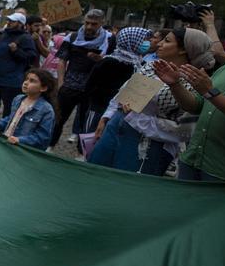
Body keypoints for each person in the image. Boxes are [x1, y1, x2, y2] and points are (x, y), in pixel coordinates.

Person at [90, 28, 215, 176]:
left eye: (167, 41)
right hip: (115, 128)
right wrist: (107, 117)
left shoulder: (195, 83)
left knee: (126, 189)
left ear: (183, 49)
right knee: (96, 175)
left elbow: (185, 130)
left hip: (147, 147)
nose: (159, 44)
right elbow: (124, 93)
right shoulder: (151, 66)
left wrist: (134, 118)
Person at [155, 55, 225, 182]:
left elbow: (210, 94)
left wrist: (210, 91)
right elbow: (196, 105)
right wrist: (175, 84)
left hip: (221, 171)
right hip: (192, 160)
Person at [50, 9, 111, 147]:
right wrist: (61, 83)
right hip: (69, 85)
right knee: (58, 118)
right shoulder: (72, 37)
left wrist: (100, 59)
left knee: (87, 123)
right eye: (87, 23)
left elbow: (111, 62)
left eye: (94, 24)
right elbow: (62, 61)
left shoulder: (108, 39)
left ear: (102, 23)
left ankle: (82, 153)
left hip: (92, 88)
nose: (89, 27)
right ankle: (50, 146)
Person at [83, 27, 152, 132]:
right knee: (90, 137)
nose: (146, 43)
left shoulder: (141, 64)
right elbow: (90, 86)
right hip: (99, 108)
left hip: (121, 113)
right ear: (131, 40)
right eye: (143, 40)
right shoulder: (108, 62)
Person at [0, 12, 39, 122]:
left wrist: (16, 51)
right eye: (8, 20)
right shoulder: (2, 34)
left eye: (12, 21)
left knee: (9, 112)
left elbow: (31, 57)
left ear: (20, 24)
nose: (8, 23)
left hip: (12, 82)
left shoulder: (26, 38)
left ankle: (4, 135)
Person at [0, 69, 58, 149]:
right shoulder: (18, 99)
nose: (26, 83)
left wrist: (20, 140)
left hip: (22, 150)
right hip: (7, 143)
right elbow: (11, 119)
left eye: (32, 81)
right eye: (26, 79)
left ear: (43, 88)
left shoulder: (46, 110)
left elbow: (43, 137)